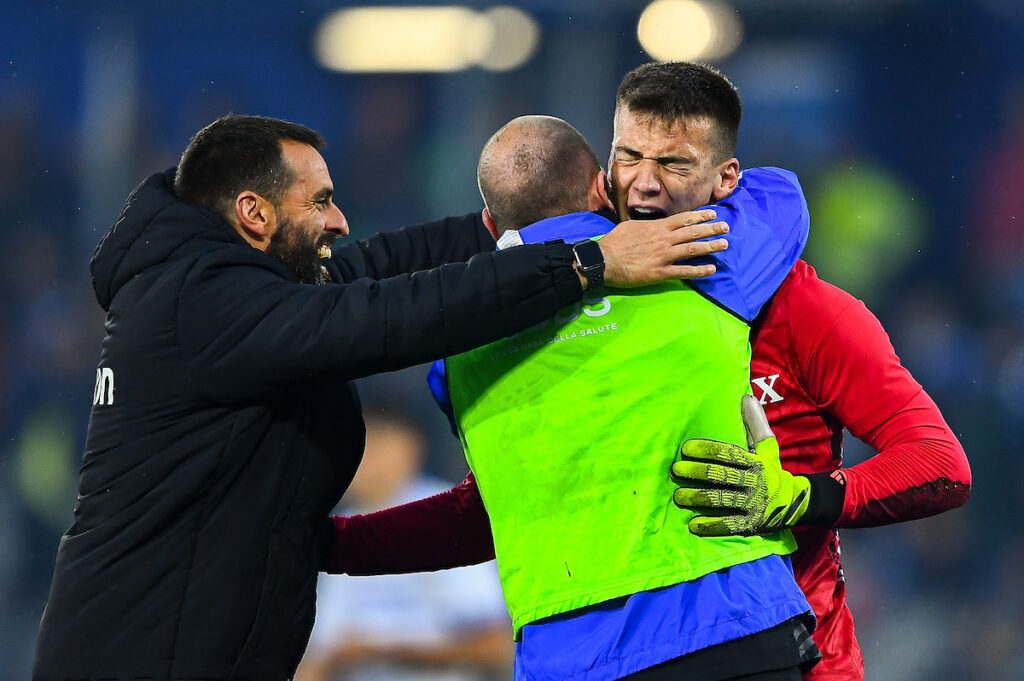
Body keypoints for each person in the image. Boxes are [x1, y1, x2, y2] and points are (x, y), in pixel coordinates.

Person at [323, 62, 972, 681]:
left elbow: (938, 461)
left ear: (726, 180)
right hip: (659, 641)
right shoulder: (552, 310)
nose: (644, 184)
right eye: (629, 157)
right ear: (603, 176)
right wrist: (333, 546)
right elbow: (496, 508)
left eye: (674, 163)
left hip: (791, 646)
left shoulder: (796, 305)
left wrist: (803, 496)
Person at [31, 114, 732, 681]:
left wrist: (523, 222)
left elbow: (380, 267)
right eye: (321, 201)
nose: (339, 222)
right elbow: (391, 315)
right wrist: (587, 262)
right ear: (253, 212)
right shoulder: (203, 304)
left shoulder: (227, 286)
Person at [332, 113, 819, 681]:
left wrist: (333, 545)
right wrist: (643, 197)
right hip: (731, 629)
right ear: (601, 187)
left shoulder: (456, 356)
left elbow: (489, 508)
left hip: (568, 656)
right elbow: (779, 193)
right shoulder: (701, 264)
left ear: (490, 223)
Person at [296, 409, 511, 681]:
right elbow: (320, 657)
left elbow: (494, 645)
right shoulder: (338, 529)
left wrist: (382, 649)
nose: (356, 460)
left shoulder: (445, 515)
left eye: (372, 445)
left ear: (407, 447)